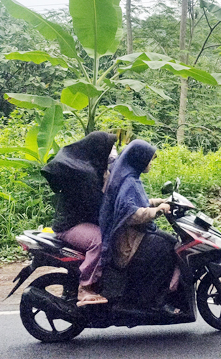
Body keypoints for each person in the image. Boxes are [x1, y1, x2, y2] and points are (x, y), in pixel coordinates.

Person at [98, 139, 178, 313]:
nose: (150, 163)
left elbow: (137, 203)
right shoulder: (129, 181)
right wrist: (157, 211)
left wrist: (160, 202)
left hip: (132, 235)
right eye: (149, 159)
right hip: (127, 242)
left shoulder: (129, 176)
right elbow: (131, 214)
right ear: (139, 160)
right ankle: (151, 300)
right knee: (166, 250)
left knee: (172, 242)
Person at [41, 131, 117, 307]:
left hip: (79, 220)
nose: (113, 153)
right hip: (70, 225)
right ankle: (85, 287)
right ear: (99, 149)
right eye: (110, 148)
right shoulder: (86, 174)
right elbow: (97, 205)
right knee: (99, 240)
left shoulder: (90, 167)